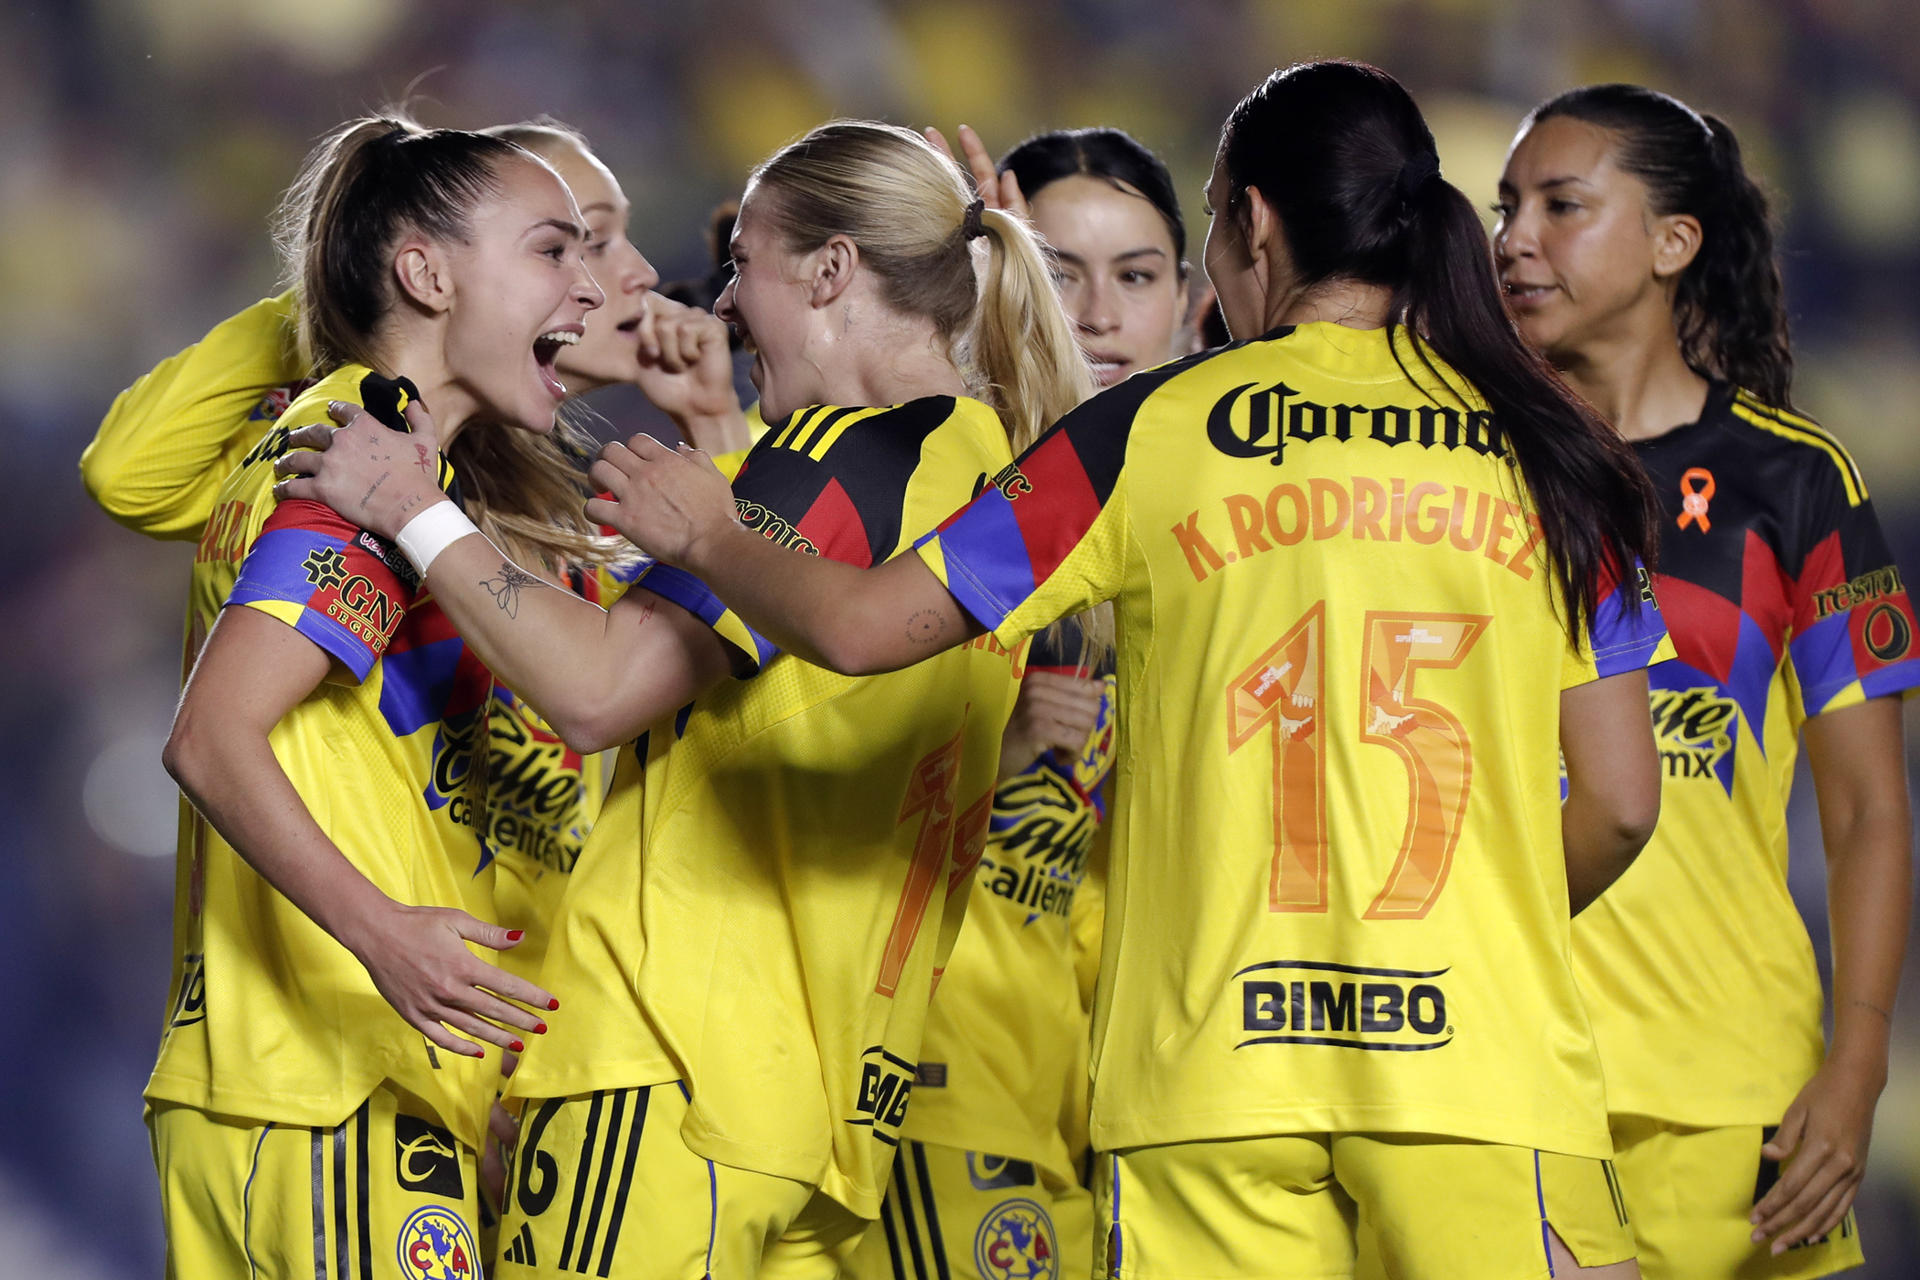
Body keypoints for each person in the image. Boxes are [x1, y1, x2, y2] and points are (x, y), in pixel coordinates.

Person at [576, 61, 1677, 1280]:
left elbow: (866, 627)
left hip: (1210, 1073)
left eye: (1206, 225)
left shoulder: (1146, 425)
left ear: (1254, 222)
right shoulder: (1556, 451)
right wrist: (1480, 931)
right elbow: (1624, 802)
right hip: (1483, 1064)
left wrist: (710, 533)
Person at [274, 119, 1089, 1279]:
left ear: (831, 271)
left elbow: (600, 687)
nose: (719, 310)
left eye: (741, 266)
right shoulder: (982, 459)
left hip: (671, 1070)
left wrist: (414, 505)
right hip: (824, 1104)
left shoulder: (838, 456)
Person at [148, 113, 607, 1278]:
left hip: (311, 1089)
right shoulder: (365, 453)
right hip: (324, 1086)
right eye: (554, 250)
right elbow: (211, 735)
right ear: (427, 272)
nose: (589, 287)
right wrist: (391, 943)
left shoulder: (368, 450)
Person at [1494, 83, 1919, 1277]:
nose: (1516, 235)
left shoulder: (1799, 483)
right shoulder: (1466, 466)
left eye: (1561, 205)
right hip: (1506, 1082)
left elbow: (1870, 809)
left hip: (1741, 1100)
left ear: (1675, 243)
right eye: (1506, 206)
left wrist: (1857, 1062)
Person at [842, 123, 1193, 1280]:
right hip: (939, 1099)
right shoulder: (939, 504)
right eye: (1055, 266)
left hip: (1125, 1113)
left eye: (1136, 277)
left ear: (1191, 303)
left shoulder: (1222, 535)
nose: (1095, 312)